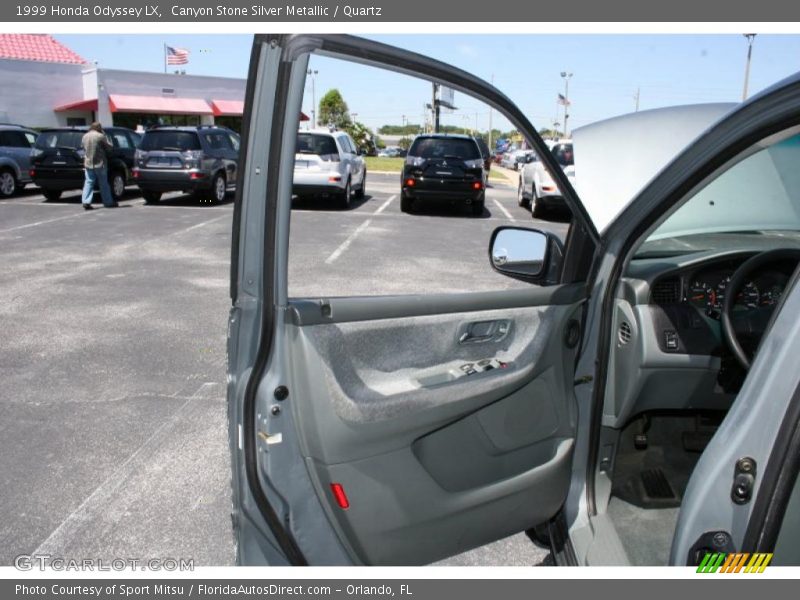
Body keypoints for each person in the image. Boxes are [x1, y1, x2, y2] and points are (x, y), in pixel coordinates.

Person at [81, 122, 117, 210]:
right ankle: (108, 202)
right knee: (104, 184)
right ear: (99, 128)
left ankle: (86, 201)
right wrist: (105, 135)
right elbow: (110, 147)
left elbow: (83, 148)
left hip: (88, 163)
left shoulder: (85, 136)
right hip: (100, 163)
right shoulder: (100, 136)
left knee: (88, 183)